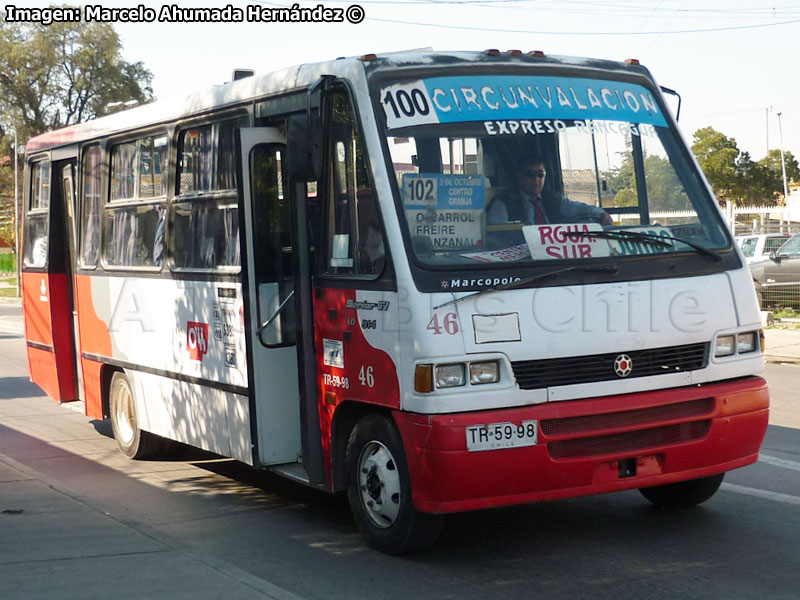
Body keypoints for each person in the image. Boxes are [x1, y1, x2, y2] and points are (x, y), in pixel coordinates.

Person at [486, 156, 613, 246]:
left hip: (554, 255)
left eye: (540, 175)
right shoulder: (503, 203)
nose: (536, 180)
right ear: (519, 176)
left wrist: (601, 213)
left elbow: (579, 208)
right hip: (523, 260)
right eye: (530, 174)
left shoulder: (553, 199)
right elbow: (498, 239)